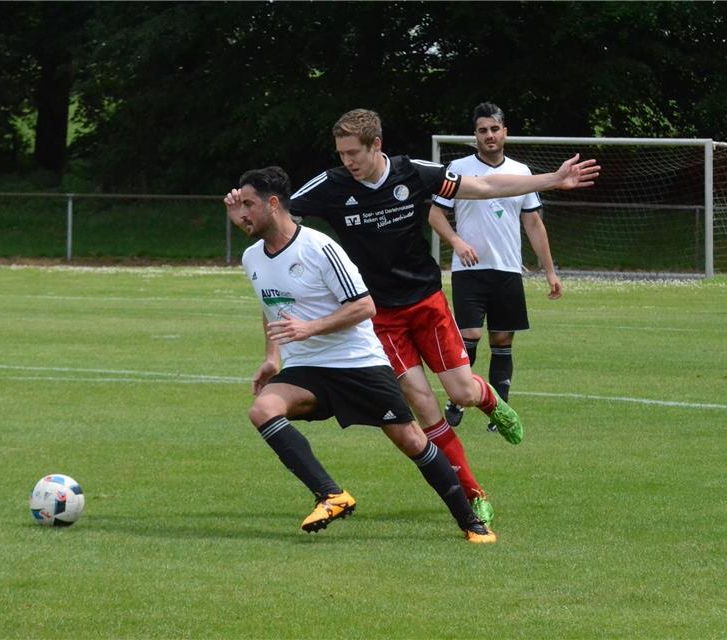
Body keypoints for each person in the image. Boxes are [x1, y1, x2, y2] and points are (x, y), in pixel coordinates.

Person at [289, 108, 598, 526]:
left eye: (353, 153)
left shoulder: (414, 173)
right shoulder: (332, 184)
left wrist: (553, 179)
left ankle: (489, 400)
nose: (347, 161)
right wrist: (247, 208)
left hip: (426, 304)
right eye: (341, 153)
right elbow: (283, 214)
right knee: (422, 404)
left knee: (463, 393)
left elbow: (485, 185)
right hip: (379, 317)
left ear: (376, 144)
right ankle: (474, 495)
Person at [225, 165, 497, 544]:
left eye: (249, 204)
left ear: (273, 204)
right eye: (239, 205)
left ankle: (471, 522)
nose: (242, 213)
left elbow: (365, 307)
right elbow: (273, 307)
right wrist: (273, 357)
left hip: (358, 363)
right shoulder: (253, 257)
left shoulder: (319, 247)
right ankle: (331, 494)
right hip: (308, 367)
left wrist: (309, 329)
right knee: (262, 410)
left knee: (412, 441)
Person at [429, 102, 562, 429]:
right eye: (482, 130)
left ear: (505, 132)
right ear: (475, 135)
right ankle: (457, 398)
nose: (488, 135)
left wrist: (550, 271)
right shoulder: (457, 169)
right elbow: (435, 214)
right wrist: (458, 243)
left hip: (507, 271)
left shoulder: (521, 173)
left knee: (502, 341)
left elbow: (533, 223)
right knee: (469, 335)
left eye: (494, 129)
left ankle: (498, 413)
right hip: (469, 271)